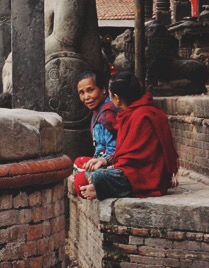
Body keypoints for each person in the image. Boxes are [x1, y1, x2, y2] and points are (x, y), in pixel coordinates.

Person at [72, 70, 178, 201]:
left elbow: (135, 159)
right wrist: (105, 161)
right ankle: (99, 187)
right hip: (130, 170)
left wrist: (110, 165)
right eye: (81, 93)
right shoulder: (129, 114)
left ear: (116, 98)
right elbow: (124, 153)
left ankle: (100, 189)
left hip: (145, 175)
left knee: (97, 177)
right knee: (87, 171)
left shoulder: (142, 116)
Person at [74, 70, 119, 174]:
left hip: (113, 162)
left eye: (90, 90)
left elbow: (116, 148)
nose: (86, 97)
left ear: (103, 89)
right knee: (79, 163)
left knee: (84, 174)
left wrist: (101, 161)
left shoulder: (107, 114)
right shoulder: (98, 111)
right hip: (102, 159)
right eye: (82, 93)